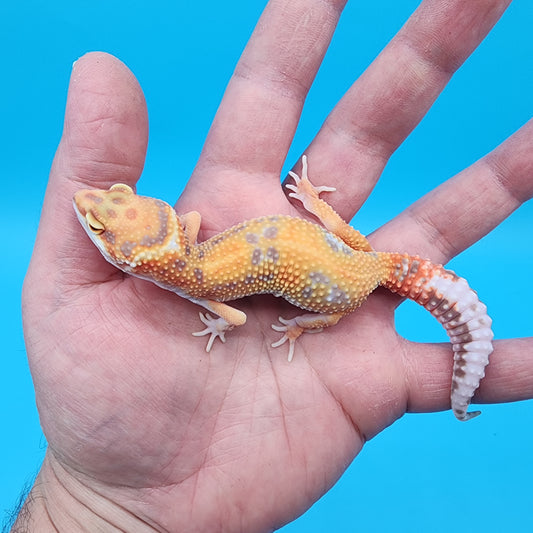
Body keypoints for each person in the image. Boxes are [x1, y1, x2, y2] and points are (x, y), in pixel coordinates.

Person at [14, 0, 533, 531]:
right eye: (104, 220)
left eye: (113, 205)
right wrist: (308, 198)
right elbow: (191, 223)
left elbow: (236, 318)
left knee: (335, 292)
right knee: (353, 260)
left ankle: (436, 361)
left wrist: (291, 327)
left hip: (343, 292)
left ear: (133, 261)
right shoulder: (186, 244)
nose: (90, 206)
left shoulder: (195, 286)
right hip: (359, 263)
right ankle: (451, 360)